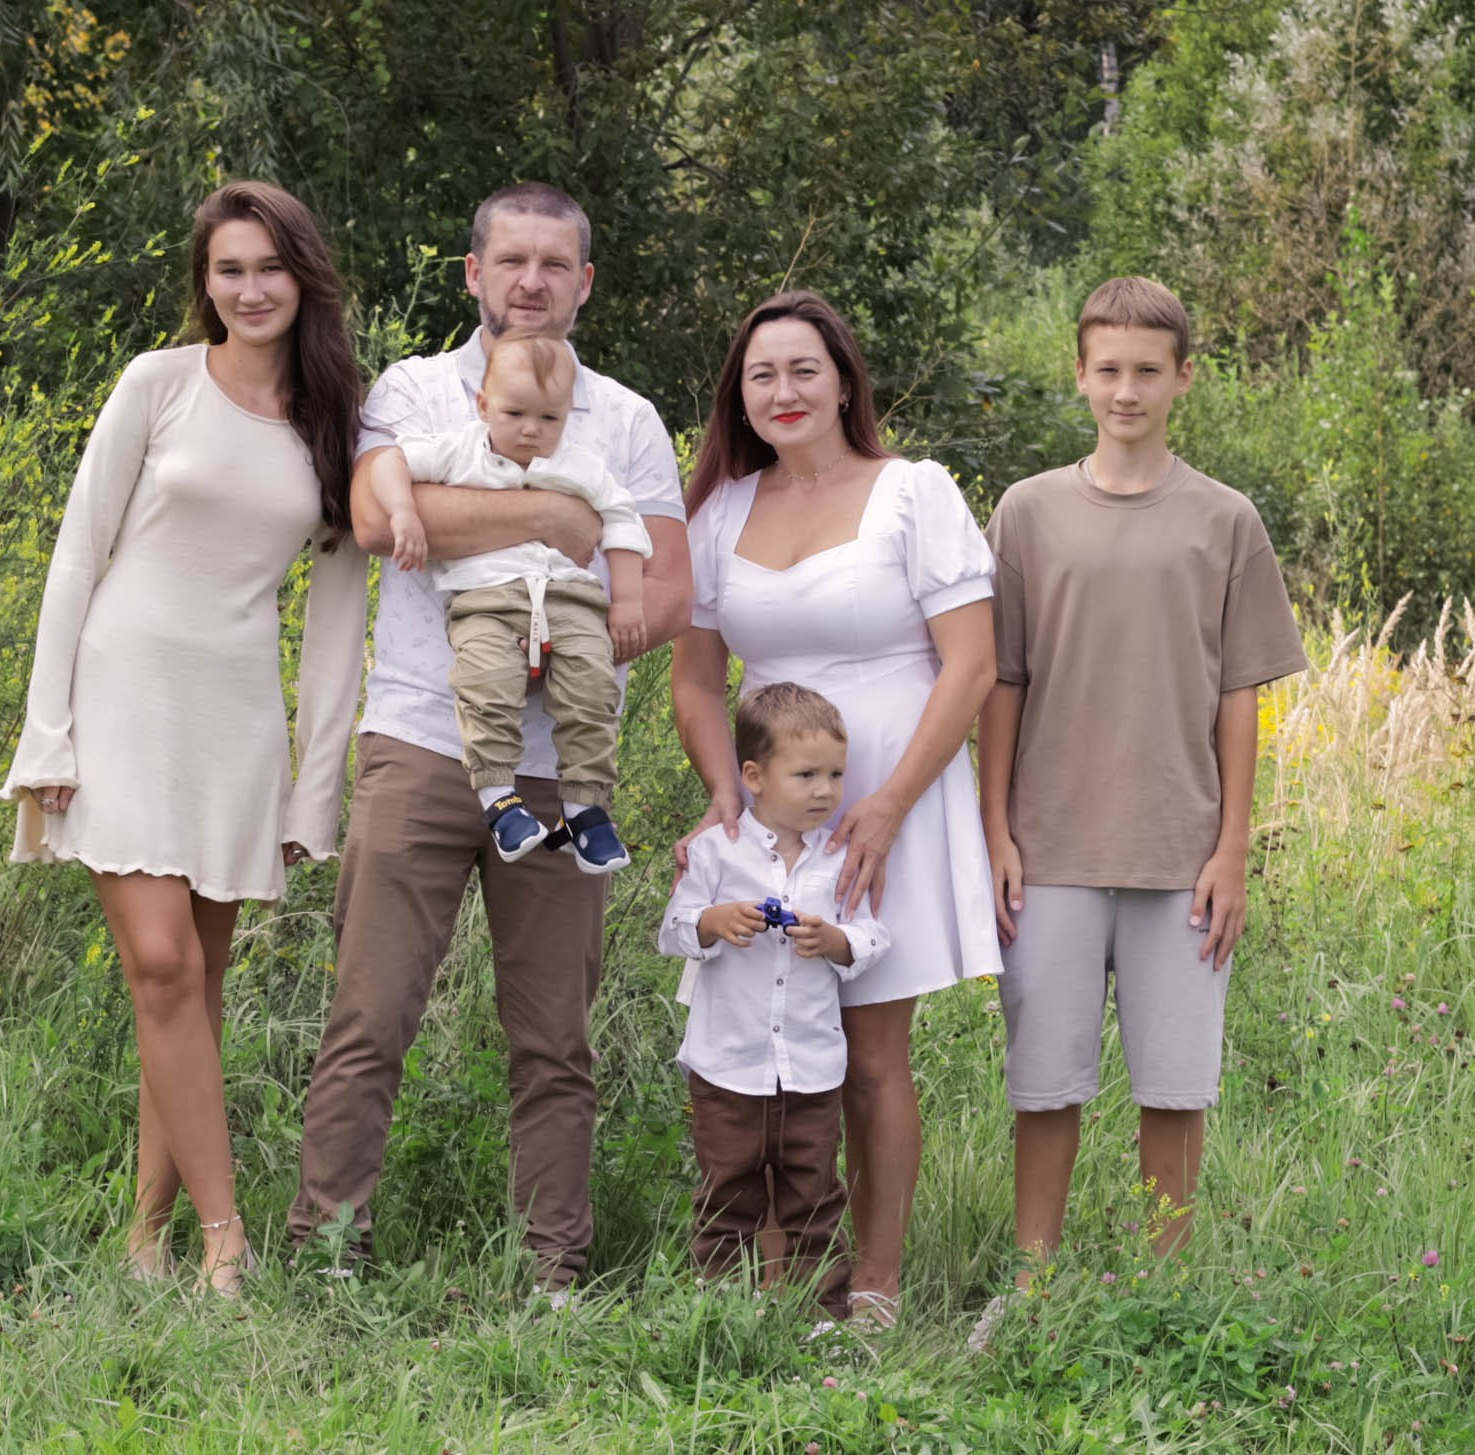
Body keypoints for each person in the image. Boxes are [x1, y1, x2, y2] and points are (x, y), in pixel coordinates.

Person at [286, 182, 691, 1297]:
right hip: (420, 738)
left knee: (553, 1038)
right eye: (509, 261)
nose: (529, 282)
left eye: (553, 265)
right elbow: (378, 524)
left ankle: (553, 1268)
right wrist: (561, 521)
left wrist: (483, 527)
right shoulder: (417, 389)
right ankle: (328, 1251)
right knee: (369, 1014)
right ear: (473, 273)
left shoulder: (626, 418)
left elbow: (661, 596)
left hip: (560, 769)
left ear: (584, 282)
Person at [0, 181, 369, 1295]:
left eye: (268, 267)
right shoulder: (155, 384)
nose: (249, 289)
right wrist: (46, 734)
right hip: (122, 695)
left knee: (195, 990)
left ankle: (144, 1241)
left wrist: (316, 793)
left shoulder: (335, 425)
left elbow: (339, 622)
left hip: (237, 717)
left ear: (302, 274)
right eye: (228, 270)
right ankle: (226, 1241)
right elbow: (77, 553)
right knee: (160, 965)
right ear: (204, 283)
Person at [967, 277, 1307, 1350]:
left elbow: (1238, 694)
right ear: (1078, 373)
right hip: (1051, 847)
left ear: (1182, 379)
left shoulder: (1224, 519)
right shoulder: (1026, 512)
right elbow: (999, 683)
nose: (1125, 389)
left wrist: (1231, 847)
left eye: (1146, 371)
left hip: (1179, 850)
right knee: (1046, 1083)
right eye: (1106, 369)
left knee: (1173, 1086)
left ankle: (1162, 1303)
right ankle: (1031, 1292)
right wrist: (995, 833)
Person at [670, 290, 1001, 1329]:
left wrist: (892, 803)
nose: (783, 391)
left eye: (804, 370)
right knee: (771, 1046)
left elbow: (974, 661)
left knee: (867, 1053)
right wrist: (728, 797)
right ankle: (779, 1273)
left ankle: (874, 1283)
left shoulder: (913, 491)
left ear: (844, 379)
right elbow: (692, 681)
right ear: (740, 395)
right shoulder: (719, 512)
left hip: (892, 803)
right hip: (773, 819)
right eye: (761, 375)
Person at [365, 329, 651, 869]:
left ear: (568, 415)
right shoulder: (461, 450)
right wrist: (404, 511)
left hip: (570, 599)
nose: (530, 430)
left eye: (549, 419)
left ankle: (584, 809)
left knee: (594, 688)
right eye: (515, 413)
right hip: (486, 601)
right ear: (483, 404)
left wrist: (629, 601)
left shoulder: (582, 466)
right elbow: (388, 462)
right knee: (487, 685)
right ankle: (499, 798)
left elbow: (622, 522)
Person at [659, 683, 891, 1321]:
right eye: (807, 775)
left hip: (811, 1067)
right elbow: (672, 930)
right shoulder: (715, 852)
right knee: (727, 1192)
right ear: (754, 777)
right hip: (728, 1064)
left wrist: (836, 939)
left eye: (836, 775)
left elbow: (873, 934)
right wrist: (714, 922)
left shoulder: (841, 857)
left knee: (813, 1196)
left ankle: (823, 1316)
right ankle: (723, 1314)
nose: (825, 791)